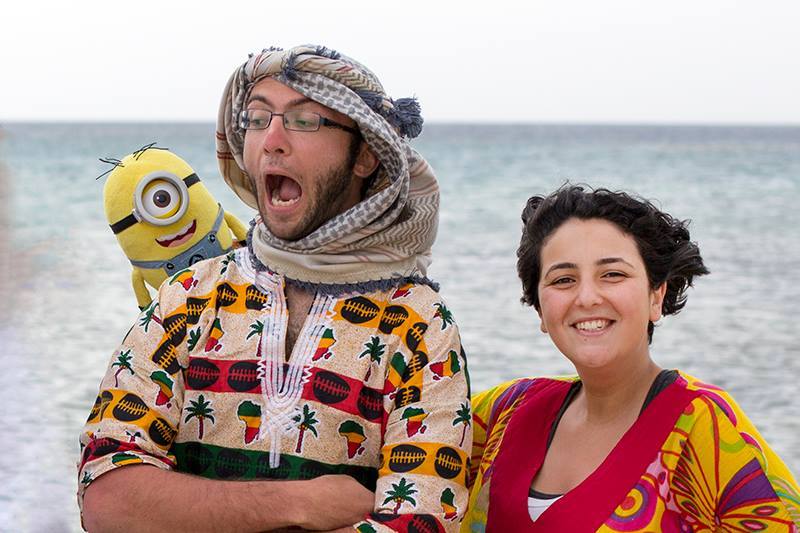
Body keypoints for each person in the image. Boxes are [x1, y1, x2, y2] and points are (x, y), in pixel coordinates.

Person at [79, 44, 471, 533]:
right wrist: (297, 504)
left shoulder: (419, 325)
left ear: (366, 154)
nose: (272, 140)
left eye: (305, 120)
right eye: (258, 118)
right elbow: (107, 496)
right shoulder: (188, 298)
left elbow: (421, 523)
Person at [462, 185, 800, 531]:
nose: (587, 297)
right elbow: (414, 440)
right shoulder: (507, 410)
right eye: (563, 280)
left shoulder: (703, 426)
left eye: (613, 274)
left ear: (657, 296)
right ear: (540, 310)